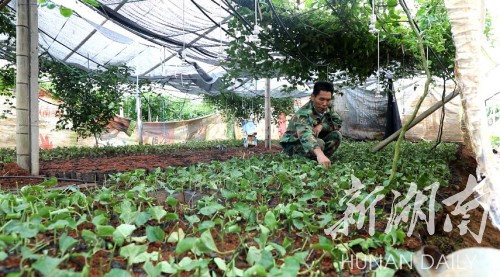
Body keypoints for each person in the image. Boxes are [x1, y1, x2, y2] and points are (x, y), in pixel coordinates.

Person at [280, 81, 342, 168]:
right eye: (321, 99)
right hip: (294, 144)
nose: (325, 104)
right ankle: (314, 159)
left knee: (336, 135)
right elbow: (305, 135)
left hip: (314, 139)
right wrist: (320, 154)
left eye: (328, 100)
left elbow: (338, 123)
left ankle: (320, 160)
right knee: (319, 143)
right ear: (313, 97)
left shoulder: (328, 107)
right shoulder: (303, 113)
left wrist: (322, 126)